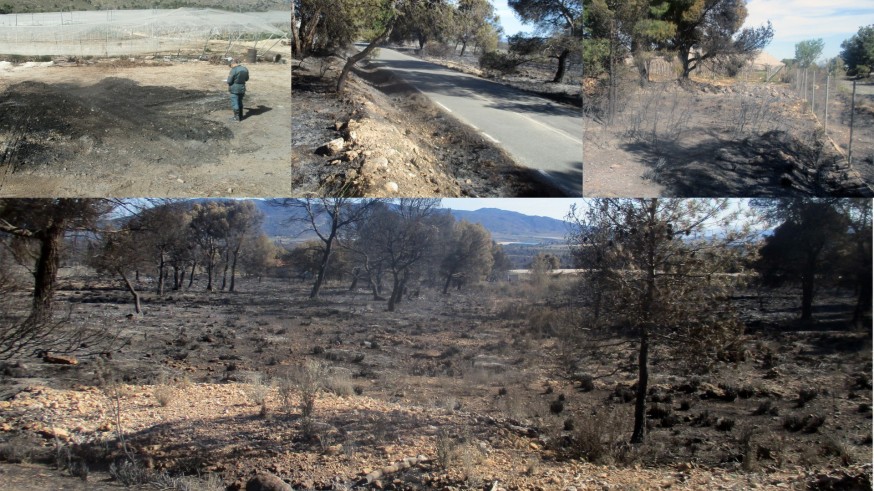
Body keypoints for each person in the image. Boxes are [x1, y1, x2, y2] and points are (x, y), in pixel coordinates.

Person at [226, 58, 249, 122]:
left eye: (231, 65)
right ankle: (241, 116)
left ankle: (236, 118)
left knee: (235, 102)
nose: (231, 67)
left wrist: (228, 81)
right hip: (242, 87)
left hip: (234, 88)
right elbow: (247, 79)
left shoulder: (234, 70)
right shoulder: (245, 69)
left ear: (233, 63)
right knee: (240, 101)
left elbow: (229, 81)